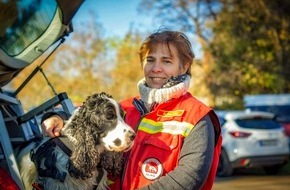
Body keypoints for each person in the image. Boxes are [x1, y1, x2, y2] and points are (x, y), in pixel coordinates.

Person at [41, 30, 222, 190]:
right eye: (150, 60)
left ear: (183, 67)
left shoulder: (197, 116)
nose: (156, 68)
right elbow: (86, 115)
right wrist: (57, 116)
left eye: (166, 61)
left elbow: (190, 177)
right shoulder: (125, 108)